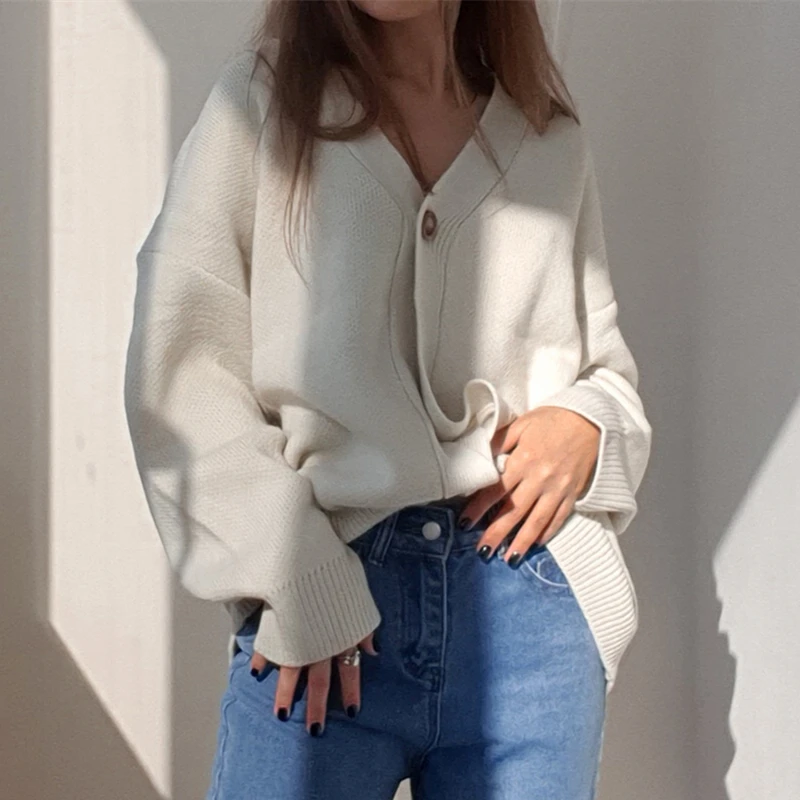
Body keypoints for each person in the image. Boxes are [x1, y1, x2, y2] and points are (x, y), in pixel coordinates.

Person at [123, 1, 653, 797]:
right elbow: (180, 372)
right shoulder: (265, 107)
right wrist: (297, 573)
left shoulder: (547, 140)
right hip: (324, 604)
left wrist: (590, 426)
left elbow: (606, 374)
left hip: (531, 618)